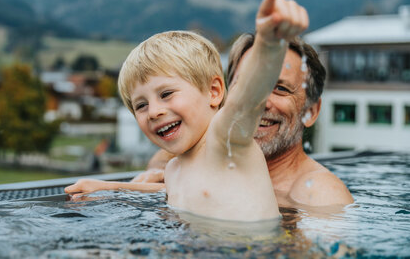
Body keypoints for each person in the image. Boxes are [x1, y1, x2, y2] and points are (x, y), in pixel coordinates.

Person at [65, 0, 308, 221]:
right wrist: (106, 188)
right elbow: (170, 191)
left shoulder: (226, 142)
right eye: (140, 105)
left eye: (166, 94)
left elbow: (248, 95)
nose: (154, 111)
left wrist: (269, 43)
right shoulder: (174, 168)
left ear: (213, 92)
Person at [134, 34, 354, 208]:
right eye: (247, 86)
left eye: (280, 88)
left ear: (311, 111)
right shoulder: (181, 163)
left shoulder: (319, 193)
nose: (259, 101)